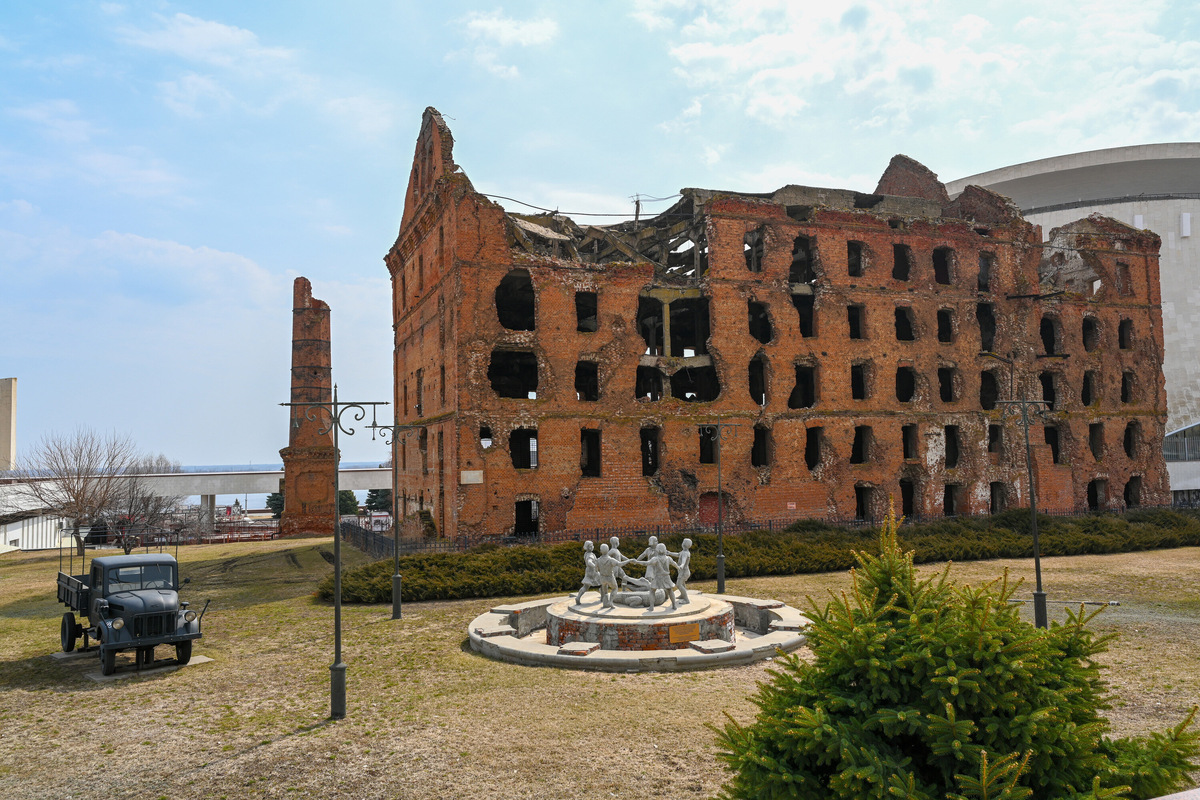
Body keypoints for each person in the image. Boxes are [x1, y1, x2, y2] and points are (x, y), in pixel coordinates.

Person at [648, 543, 680, 610]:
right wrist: (679, 567)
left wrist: (637, 562)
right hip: (666, 577)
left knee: (652, 590)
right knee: (670, 590)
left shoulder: (655, 559)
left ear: (657, 550)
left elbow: (647, 563)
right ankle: (674, 605)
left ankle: (651, 607)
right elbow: (674, 564)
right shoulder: (668, 558)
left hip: (658, 577)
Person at [594, 543, 619, 608]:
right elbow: (620, 564)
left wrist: (599, 572)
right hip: (610, 577)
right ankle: (610, 602)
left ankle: (605, 604)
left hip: (602, 578)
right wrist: (629, 561)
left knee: (605, 591)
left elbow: (595, 569)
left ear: (600, 551)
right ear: (608, 550)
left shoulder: (598, 560)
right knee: (615, 588)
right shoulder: (611, 560)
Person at [673, 538, 693, 604]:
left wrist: (681, 565)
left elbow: (684, 560)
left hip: (684, 572)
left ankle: (686, 599)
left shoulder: (685, 553)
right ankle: (682, 595)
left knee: (678, 584)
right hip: (683, 571)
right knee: (682, 584)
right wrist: (669, 553)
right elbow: (678, 554)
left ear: (684, 544)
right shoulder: (684, 552)